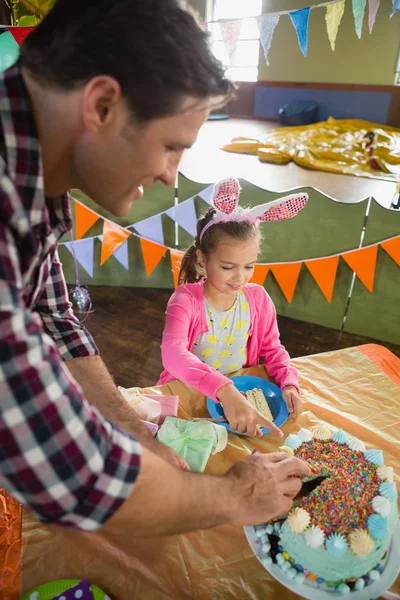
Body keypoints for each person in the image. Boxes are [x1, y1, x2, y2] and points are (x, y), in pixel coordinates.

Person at [0, 0, 310, 538]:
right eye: (172, 147)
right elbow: (73, 476)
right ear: (101, 105)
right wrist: (235, 495)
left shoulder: (36, 186)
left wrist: (132, 430)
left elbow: (54, 317)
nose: (171, 176)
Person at [159, 178, 305, 437]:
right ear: (203, 259)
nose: (240, 277)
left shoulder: (257, 299)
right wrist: (223, 389)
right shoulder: (185, 301)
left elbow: (273, 350)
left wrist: (289, 383)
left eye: (249, 266)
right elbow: (172, 354)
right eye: (228, 267)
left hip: (241, 390)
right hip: (191, 392)